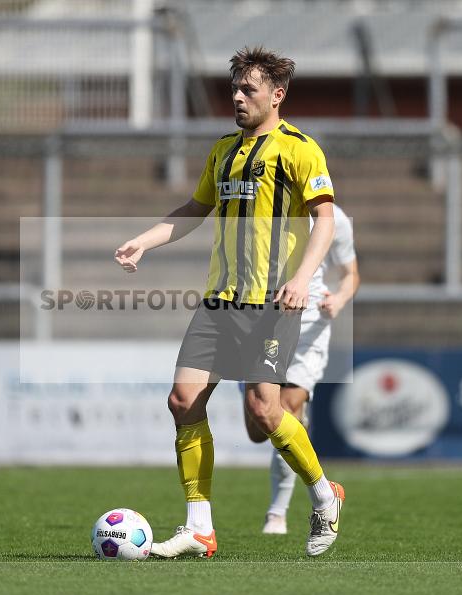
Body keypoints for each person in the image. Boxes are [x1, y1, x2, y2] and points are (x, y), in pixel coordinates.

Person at [115, 46, 344, 558]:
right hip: (219, 301)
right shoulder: (222, 150)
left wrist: (301, 278)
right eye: (234, 89)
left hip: (272, 303)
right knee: (183, 401)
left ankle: (325, 495)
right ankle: (199, 527)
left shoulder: (300, 149)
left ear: (277, 95)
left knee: (265, 412)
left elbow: (325, 220)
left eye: (249, 90)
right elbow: (195, 208)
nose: (238, 98)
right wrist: (143, 242)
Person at [242, 205, 359, 535]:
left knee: (287, 408)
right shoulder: (263, 205)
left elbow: (351, 274)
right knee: (257, 428)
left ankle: (276, 514)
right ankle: (291, 424)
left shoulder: (334, 218)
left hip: (308, 326)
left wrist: (339, 300)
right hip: (259, 321)